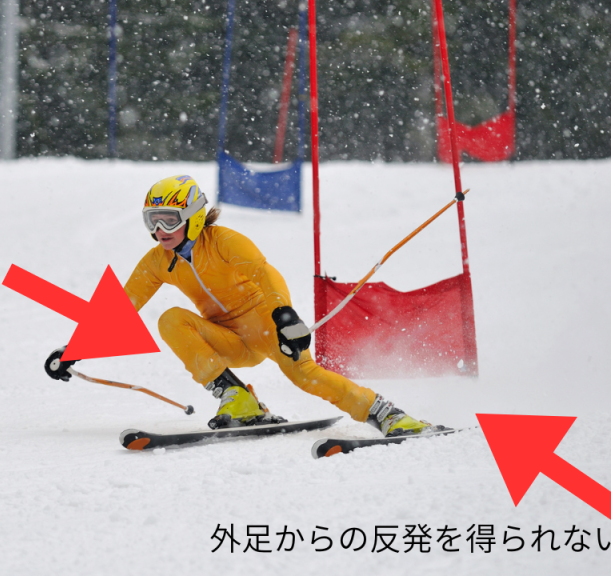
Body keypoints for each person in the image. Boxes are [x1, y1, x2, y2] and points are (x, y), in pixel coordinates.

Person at [45, 175, 443, 437]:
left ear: (193, 217)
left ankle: (388, 415)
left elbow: (265, 274)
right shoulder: (157, 262)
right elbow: (122, 305)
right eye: (152, 220)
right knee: (170, 319)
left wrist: (284, 316)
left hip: (266, 326)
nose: (159, 230)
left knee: (306, 377)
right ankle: (237, 397)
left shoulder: (223, 242)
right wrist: (77, 349)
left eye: (168, 219)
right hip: (229, 339)